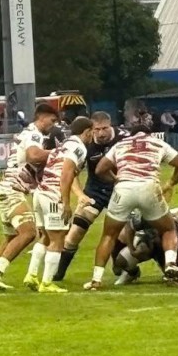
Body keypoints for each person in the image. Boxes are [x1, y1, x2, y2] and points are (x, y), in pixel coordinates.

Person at [86, 123, 178, 290]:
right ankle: (170, 264)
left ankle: (96, 280)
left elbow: (100, 169)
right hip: (149, 188)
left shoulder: (120, 144)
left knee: (109, 235)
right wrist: (170, 183)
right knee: (168, 229)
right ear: (149, 134)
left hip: (123, 189)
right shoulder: (157, 143)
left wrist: (115, 180)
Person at [0, 103, 58, 291]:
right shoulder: (34, 134)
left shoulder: (29, 134)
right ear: (42, 117)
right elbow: (34, 156)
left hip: (5, 189)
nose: (53, 125)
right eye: (52, 120)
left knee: (11, 237)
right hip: (11, 189)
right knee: (29, 232)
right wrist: (58, 153)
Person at [53, 111, 128, 282]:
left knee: (123, 233)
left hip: (121, 191)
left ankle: (121, 265)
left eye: (105, 128)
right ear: (90, 129)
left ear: (111, 125)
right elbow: (71, 174)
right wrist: (80, 195)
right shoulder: (85, 144)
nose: (101, 133)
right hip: (94, 191)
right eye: (97, 129)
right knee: (75, 232)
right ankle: (58, 274)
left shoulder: (124, 138)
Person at [26, 116, 93, 293]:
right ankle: (47, 283)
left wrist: (79, 195)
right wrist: (66, 202)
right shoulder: (79, 148)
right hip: (53, 195)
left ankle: (31, 275)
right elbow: (66, 174)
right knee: (58, 239)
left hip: (40, 192)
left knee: (46, 237)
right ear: (87, 132)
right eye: (92, 131)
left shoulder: (63, 145)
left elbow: (68, 174)